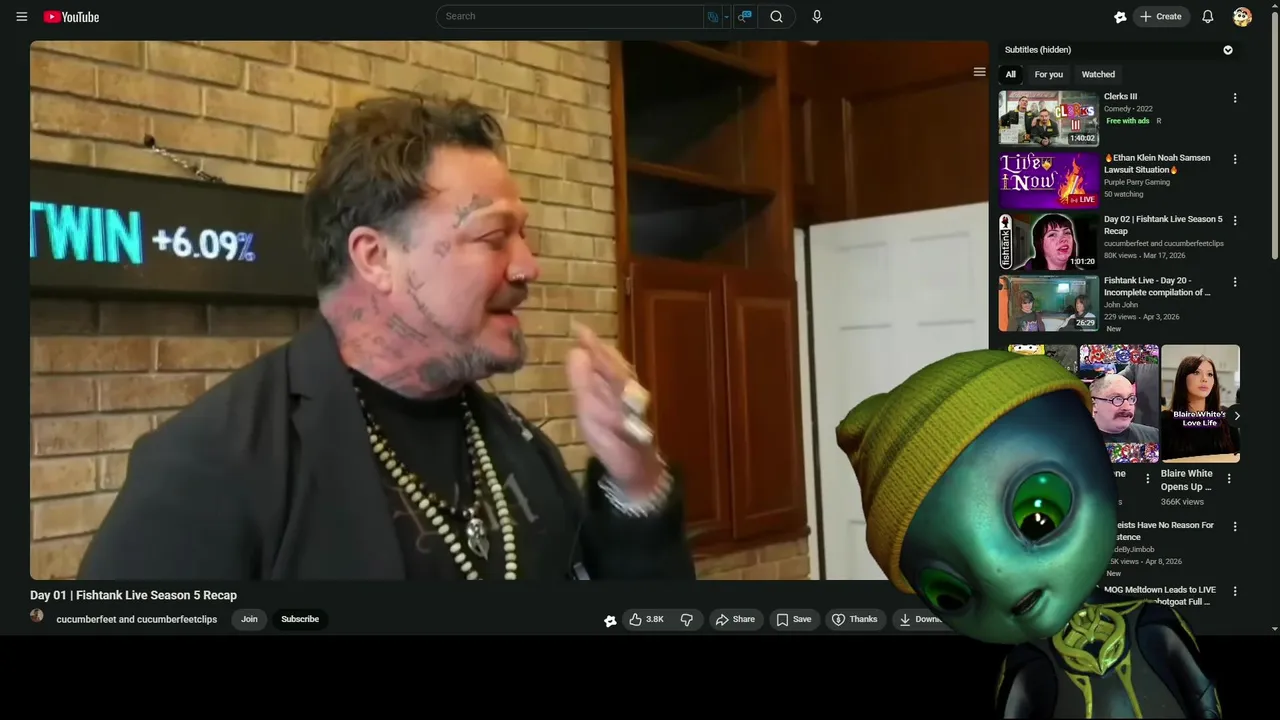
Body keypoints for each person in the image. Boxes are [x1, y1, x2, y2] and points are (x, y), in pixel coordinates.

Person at [79, 96, 696, 581]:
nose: (528, 267)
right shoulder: (210, 467)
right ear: (375, 258)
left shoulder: (521, 447)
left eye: (524, 237)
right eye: (493, 238)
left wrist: (636, 480)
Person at [836, 350, 1220, 718]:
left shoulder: (1152, 622)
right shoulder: (1027, 664)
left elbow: (1203, 699)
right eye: (951, 594)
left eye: (1039, 519)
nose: (1001, 580)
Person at [1160, 355, 1240, 461]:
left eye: (1210, 374)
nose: (1204, 379)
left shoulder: (1227, 417)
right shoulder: (1165, 421)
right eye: (1196, 372)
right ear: (1183, 378)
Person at [1088, 373, 1158, 444]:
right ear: (1094, 404)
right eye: (1117, 399)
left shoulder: (1154, 436)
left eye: (1131, 398)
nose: (1127, 407)